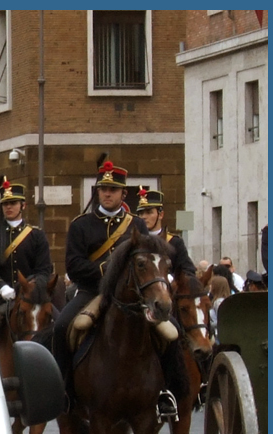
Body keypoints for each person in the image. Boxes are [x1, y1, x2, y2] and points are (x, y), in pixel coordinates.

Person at [53, 159, 179, 415]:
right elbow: (74, 265)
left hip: (132, 297)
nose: (107, 193)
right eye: (103, 189)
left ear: (124, 193)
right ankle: (63, 391)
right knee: (61, 326)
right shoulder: (81, 225)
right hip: (92, 292)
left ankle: (167, 390)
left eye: (113, 190)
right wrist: (108, 271)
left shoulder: (137, 224)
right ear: (98, 191)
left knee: (172, 332)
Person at [0, 177, 52, 336]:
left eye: (13, 203)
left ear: (23, 205)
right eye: (5, 204)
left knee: (58, 326)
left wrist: (32, 288)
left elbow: (44, 269)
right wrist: (1, 286)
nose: (9, 207)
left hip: (31, 297)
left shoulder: (36, 235)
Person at [134, 187, 196, 278]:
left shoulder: (174, 242)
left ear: (161, 214)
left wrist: (171, 279)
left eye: (149, 212)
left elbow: (188, 271)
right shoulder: (136, 242)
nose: (143, 217)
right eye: (141, 213)